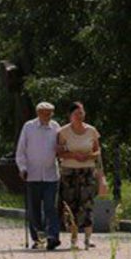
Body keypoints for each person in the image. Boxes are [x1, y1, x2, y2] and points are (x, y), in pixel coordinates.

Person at [15, 101, 61, 250]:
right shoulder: (29, 127)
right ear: (38, 113)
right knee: (34, 209)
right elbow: (21, 150)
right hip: (32, 175)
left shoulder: (56, 127)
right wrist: (22, 168)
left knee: (50, 207)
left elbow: (61, 148)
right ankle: (37, 238)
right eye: (44, 113)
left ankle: (53, 236)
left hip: (51, 175)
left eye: (50, 113)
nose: (47, 116)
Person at [57, 101, 102, 250]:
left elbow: (97, 151)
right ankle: (73, 238)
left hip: (87, 170)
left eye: (81, 113)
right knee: (70, 204)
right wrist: (73, 155)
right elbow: (59, 152)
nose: (79, 116)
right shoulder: (63, 132)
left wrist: (88, 156)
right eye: (76, 113)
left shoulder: (91, 131)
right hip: (69, 170)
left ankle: (88, 239)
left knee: (87, 203)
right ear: (70, 115)